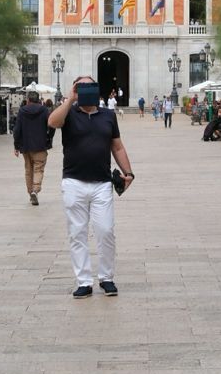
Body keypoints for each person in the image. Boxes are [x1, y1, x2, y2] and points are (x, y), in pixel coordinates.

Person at [48, 75, 134, 298]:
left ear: (97, 88)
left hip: (101, 183)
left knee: (106, 231)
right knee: (77, 233)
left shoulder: (108, 115)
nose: (85, 89)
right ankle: (84, 281)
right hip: (73, 182)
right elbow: (52, 122)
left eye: (89, 86)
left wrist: (128, 172)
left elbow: (117, 146)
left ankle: (106, 278)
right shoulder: (68, 113)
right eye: (80, 86)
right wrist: (70, 99)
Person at [11, 90, 53, 206]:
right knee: (38, 169)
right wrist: (49, 138)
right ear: (38, 100)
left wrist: (16, 145)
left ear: (28, 100)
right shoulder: (44, 110)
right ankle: (35, 189)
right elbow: (52, 124)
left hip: (26, 146)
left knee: (28, 170)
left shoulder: (22, 111)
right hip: (40, 145)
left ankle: (31, 193)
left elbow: (17, 130)